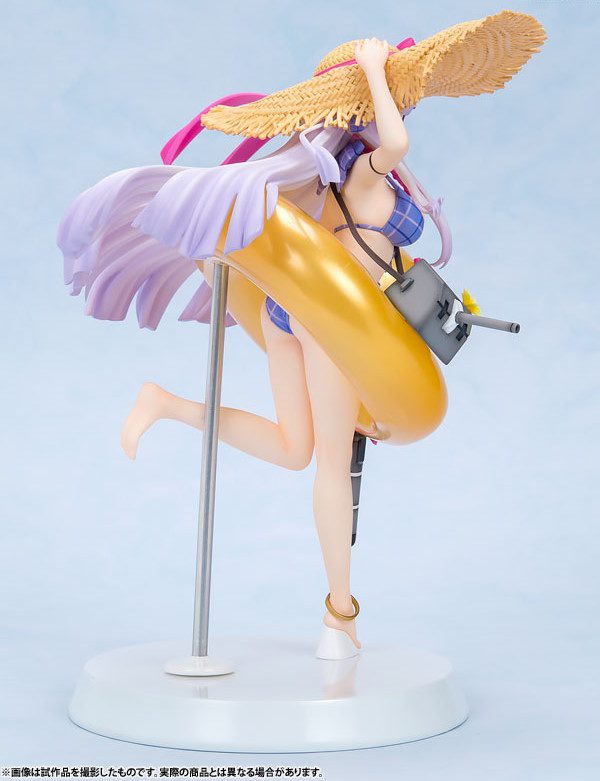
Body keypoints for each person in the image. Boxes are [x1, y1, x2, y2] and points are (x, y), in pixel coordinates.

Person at [57, 14, 546, 659]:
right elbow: (395, 143)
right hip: (328, 326)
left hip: (300, 319)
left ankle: (167, 404)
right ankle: (340, 616)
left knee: (295, 450)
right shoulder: (365, 169)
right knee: (330, 467)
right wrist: (374, 69)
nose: (401, 109)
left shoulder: (322, 176)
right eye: (392, 100)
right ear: (366, 109)